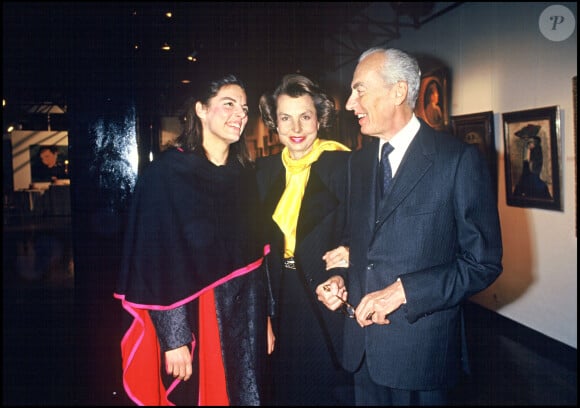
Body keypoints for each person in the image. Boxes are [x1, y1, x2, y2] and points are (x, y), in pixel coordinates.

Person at [316, 47, 503, 405]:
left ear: (398, 92)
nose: (350, 103)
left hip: (422, 356)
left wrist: (404, 292)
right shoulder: (359, 162)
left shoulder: (457, 161)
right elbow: (359, 241)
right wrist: (340, 277)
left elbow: (482, 264)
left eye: (360, 90)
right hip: (363, 350)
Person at [114, 74, 272, 406]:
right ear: (200, 109)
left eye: (243, 108)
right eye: (227, 104)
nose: (239, 115)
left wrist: (266, 319)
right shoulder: (167, 175)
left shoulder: (243, 175)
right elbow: (156, 260)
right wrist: (174, 338)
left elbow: (259, 258)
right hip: (199, 313)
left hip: (247, 315)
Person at [255, 73, 354, 405]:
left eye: (305, 116)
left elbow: (364, 229)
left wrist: (349, 263)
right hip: (279, 296)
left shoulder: (344, 165)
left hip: (325, 291)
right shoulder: (264, 172)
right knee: (286, 388)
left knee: (327, 387)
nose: (296, 128)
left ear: (319, 119)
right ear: (275, 123)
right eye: (286, 118)